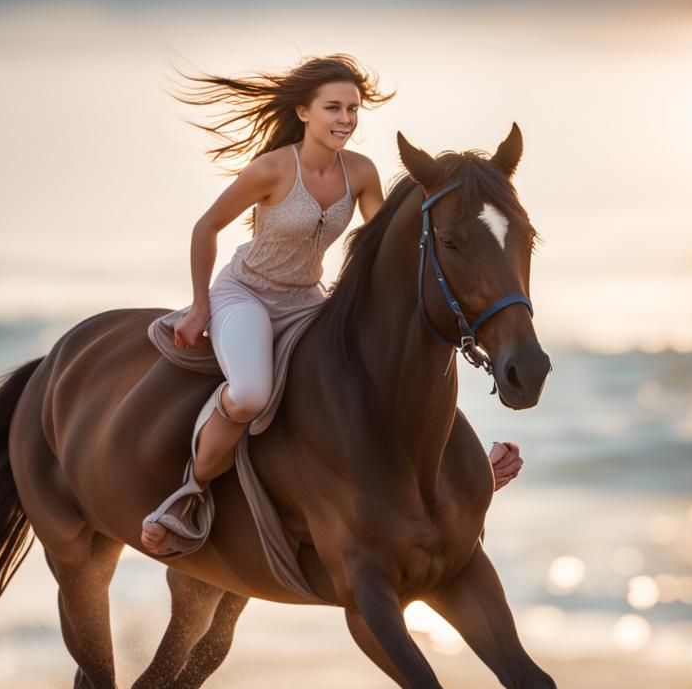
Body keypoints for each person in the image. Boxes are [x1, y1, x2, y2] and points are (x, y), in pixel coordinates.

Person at [141, 54, 523, 557]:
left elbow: (386, 245)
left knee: (384, 369)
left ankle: (463, 470)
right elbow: (206, 227)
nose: (345, 119)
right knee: (251, 393)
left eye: (352, 109)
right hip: (247, 294)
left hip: (307, 300)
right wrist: (198, 307)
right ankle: (189, 493)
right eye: (333, 108)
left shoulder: (361, 173)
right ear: (303, 112)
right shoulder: (271, 169)